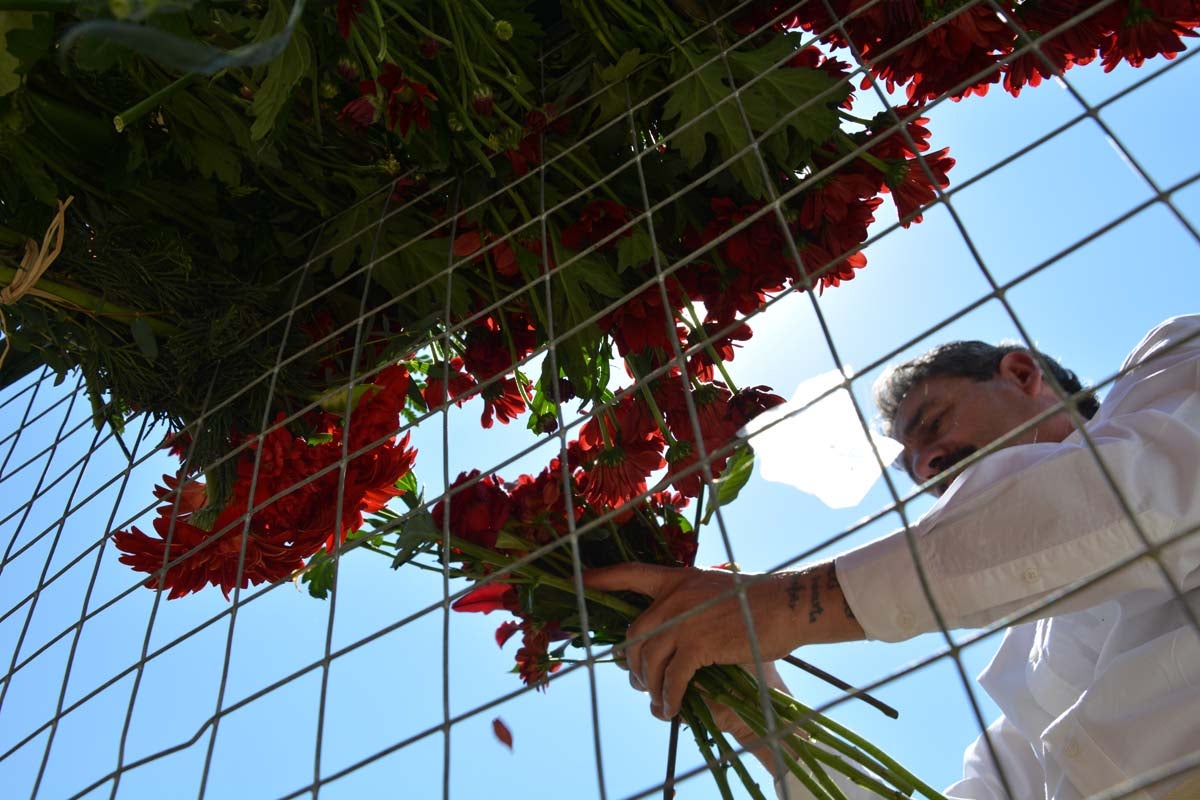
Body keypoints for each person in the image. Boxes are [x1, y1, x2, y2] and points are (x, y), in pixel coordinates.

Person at [585, 314, 1200, 800]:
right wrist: (765, 723)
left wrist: (783, 605)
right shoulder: (1030, 674)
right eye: (916, 474)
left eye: (933, 424)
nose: (930, 469)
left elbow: (1143, 491)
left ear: (1019, 373)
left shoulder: (1172, 362)